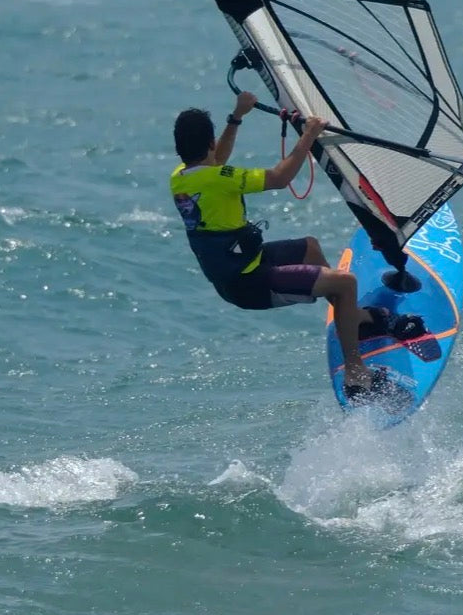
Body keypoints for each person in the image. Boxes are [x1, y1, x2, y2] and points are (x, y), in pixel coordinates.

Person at [169, 91, 419, 400]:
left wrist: (237, 117)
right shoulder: (220, 179)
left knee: (310, 248)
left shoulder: (181, 178)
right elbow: (279, 177)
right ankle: (357, 376)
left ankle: (356, 320)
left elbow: (215, 160)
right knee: (345, 283)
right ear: (208, 143)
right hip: (250, 284)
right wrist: (309, 135)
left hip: (244, 267)